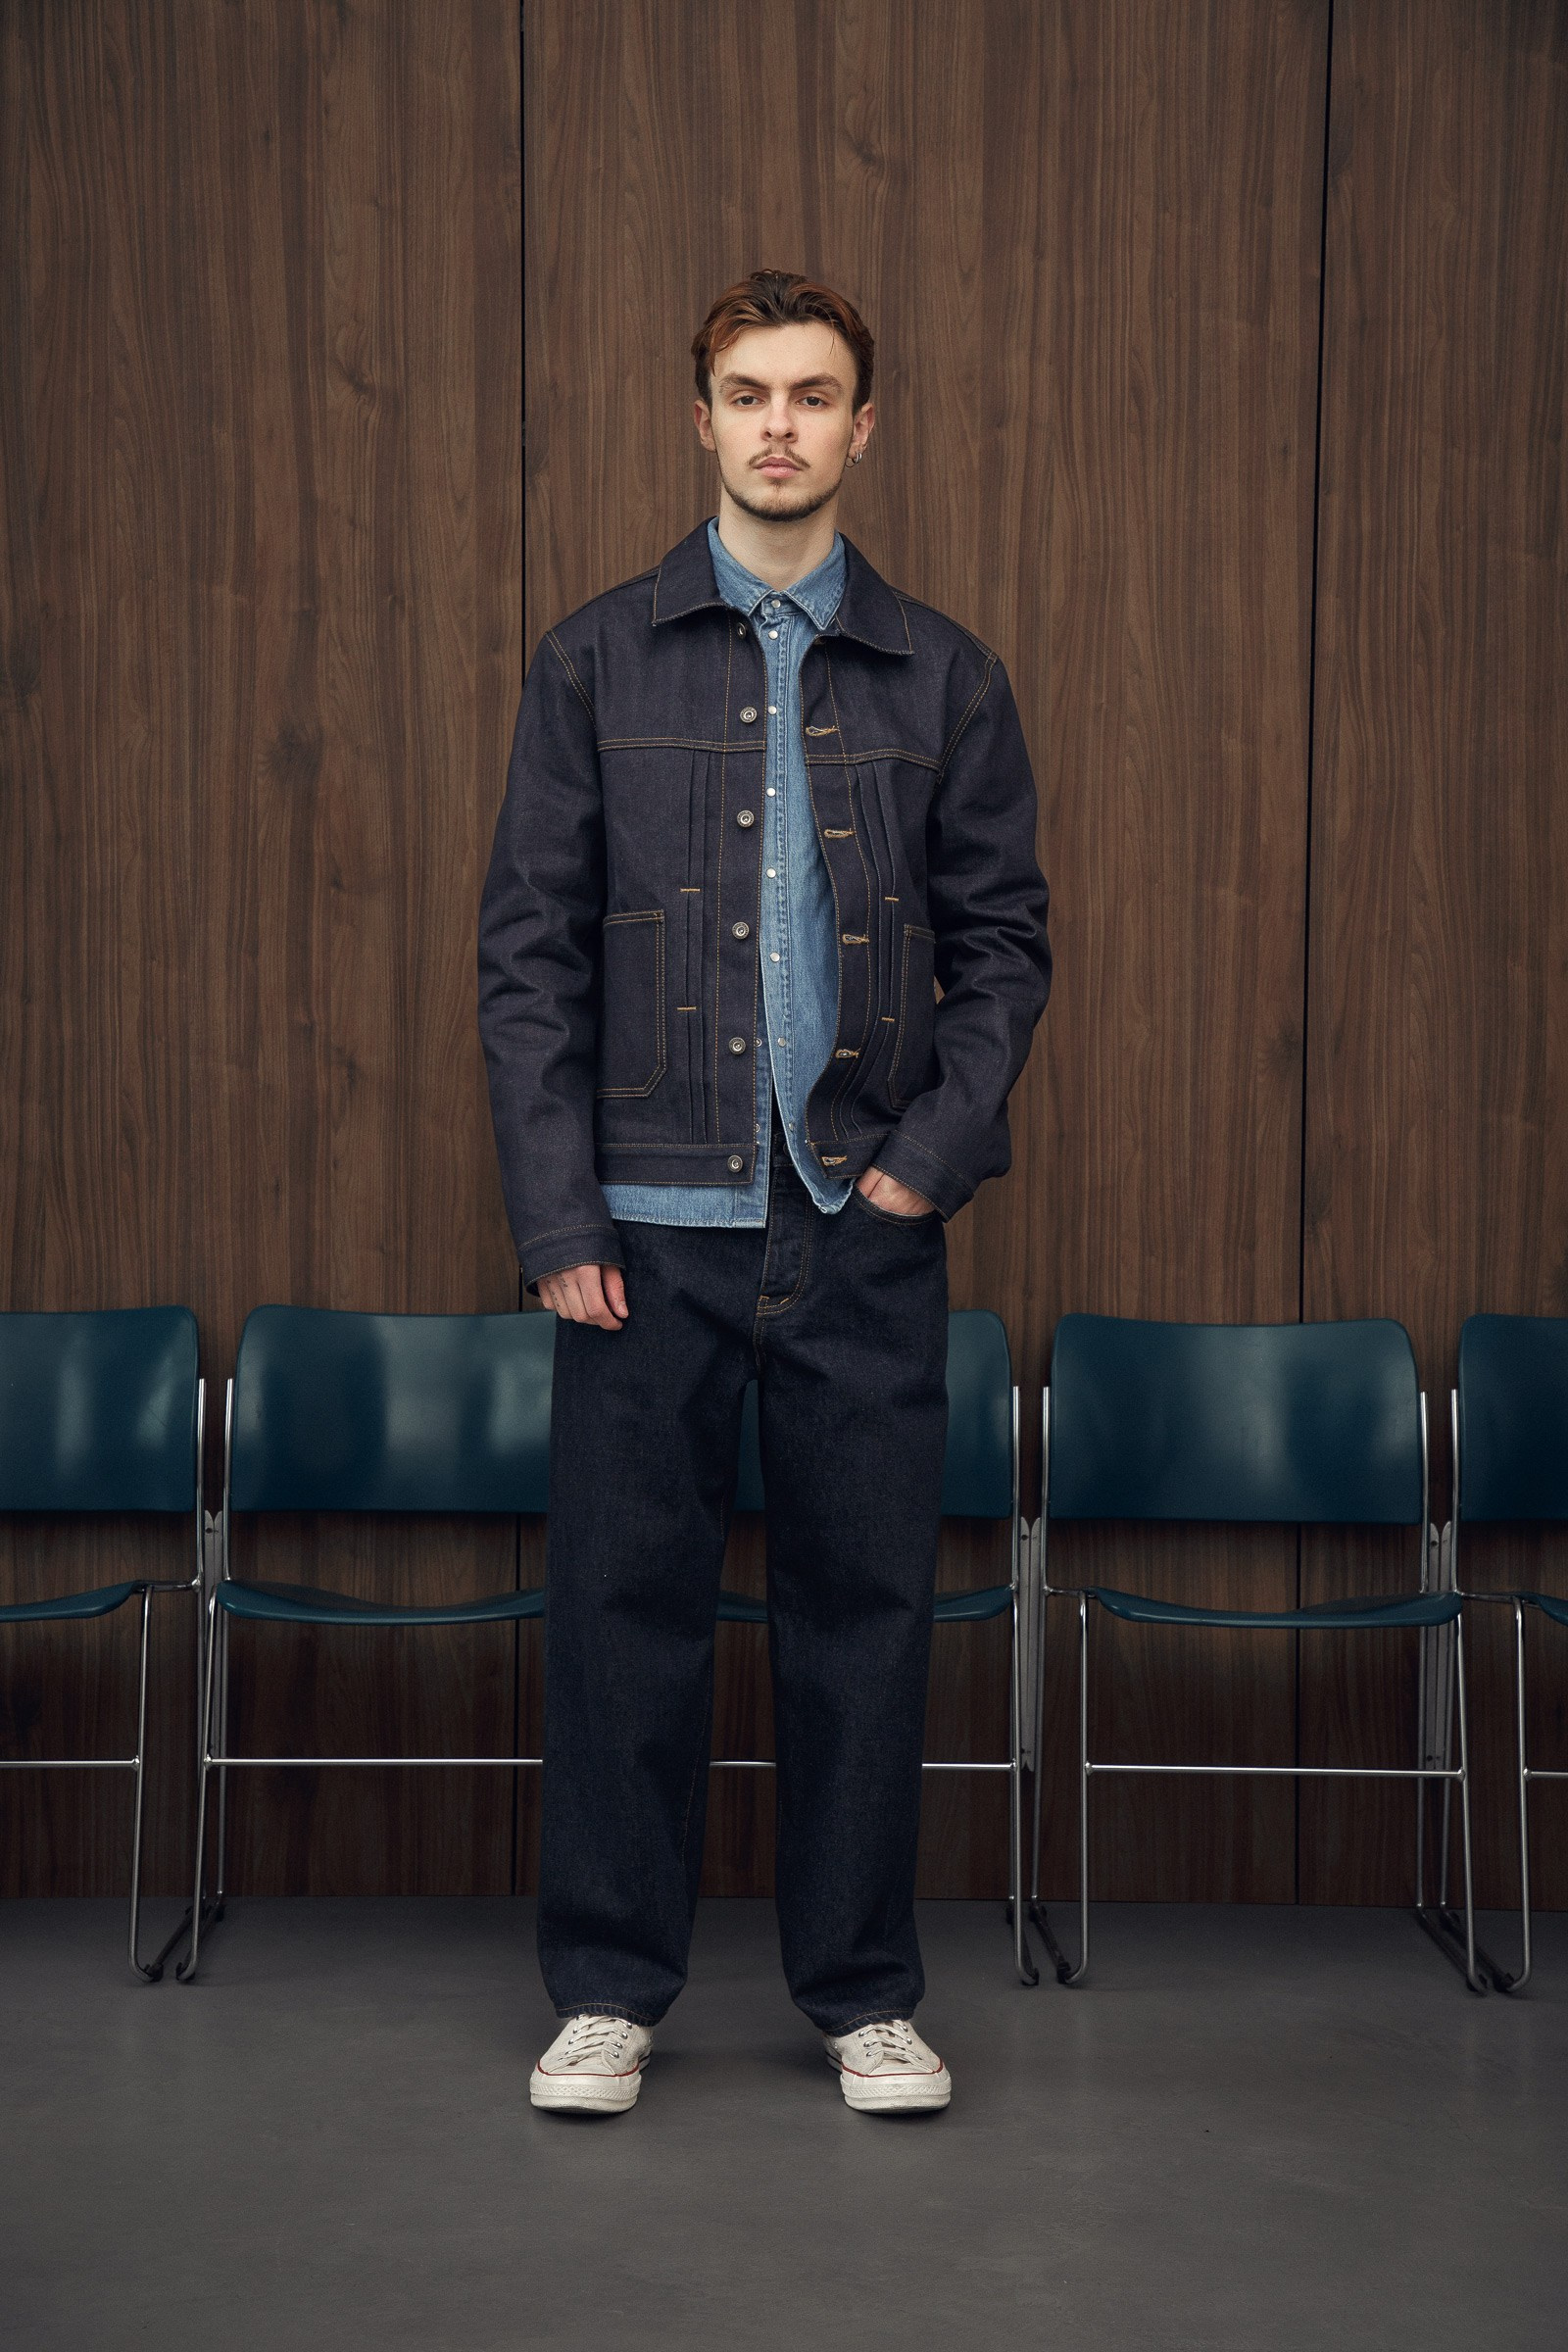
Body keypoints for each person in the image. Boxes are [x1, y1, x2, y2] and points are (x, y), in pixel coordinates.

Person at [479, 269, 1051, 2116]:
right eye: (749, 394)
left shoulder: (946, 675)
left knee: (866, 1628)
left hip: (859, 1227)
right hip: (645, 1237)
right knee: (619, 1622)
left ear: (862, 427)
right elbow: (530, 960)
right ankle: (608, 1992)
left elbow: (1007, 951)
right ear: (703, 419)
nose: (780, 425)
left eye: (813, 395)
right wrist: (560, 1219)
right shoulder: (593, 660)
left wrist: (921, 1172)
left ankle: (864, 1996)